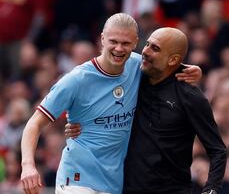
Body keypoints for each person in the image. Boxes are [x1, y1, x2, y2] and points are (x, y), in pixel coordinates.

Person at [20, 13, 201, 194]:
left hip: (114, 183)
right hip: (77, 180)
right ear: (102, 39)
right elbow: (35, 123)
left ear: (136, 42)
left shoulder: (139, 66)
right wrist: (28, 165)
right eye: (113, 41)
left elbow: (169, 66)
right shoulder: (76, 80)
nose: (119, 48)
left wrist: (193, 70)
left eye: (126, 43)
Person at [67, 27, 227, 194]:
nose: (145, 51)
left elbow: (217, 150)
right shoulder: (132, 80)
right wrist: (81, 125)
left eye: (155, 48)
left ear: (173, 60)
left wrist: (211, 189)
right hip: (126, 189)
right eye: (147, 44)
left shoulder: (191, 97)